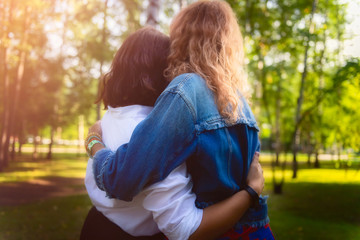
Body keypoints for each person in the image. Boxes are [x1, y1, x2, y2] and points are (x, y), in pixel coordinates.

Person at [87, 1, 274, 239]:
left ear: (181, 39)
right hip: (257, 230)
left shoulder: (184, 91)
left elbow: (120, 179)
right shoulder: (240, 102)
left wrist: (94, 141)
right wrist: (252, 190)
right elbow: (252, 171)